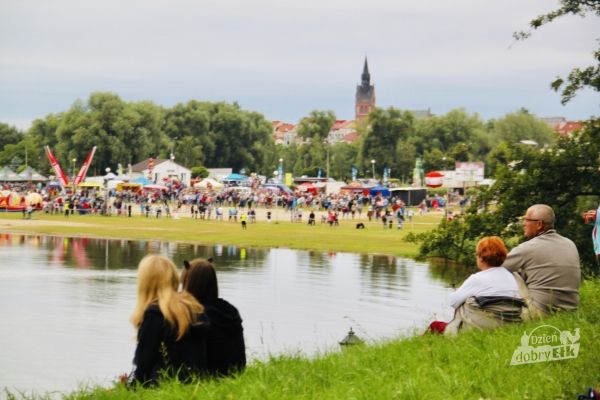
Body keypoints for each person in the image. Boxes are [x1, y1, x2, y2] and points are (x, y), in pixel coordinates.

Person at [128, 255, 209, 386]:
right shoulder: (193, 307)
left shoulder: (154, 314)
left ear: (145, 283)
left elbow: (143, 364)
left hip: (165, 384)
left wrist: (128, 388)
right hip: (197, 382)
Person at [429, 236, 524, 334]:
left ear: (481, 258)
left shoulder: (477, 278)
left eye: (477, 254)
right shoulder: (510, 277)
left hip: (478, 329)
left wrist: (461, 293)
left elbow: (453, 302)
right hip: (507, 328)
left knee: (435, 325)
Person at [502, 204, 581, 316]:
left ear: (539, 224)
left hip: (540, 313)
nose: (523, 223)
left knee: (510, 272)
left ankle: (498, 309)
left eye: (526, 220)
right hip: (570, 310)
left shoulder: (528, 248)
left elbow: (495, 267)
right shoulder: (570, 243)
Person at [182, 259, 246, 377]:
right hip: (235, 374)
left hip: (206, 377)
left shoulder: (195, 314)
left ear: (189, 283)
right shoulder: (231, 310)